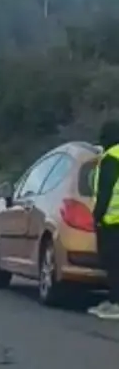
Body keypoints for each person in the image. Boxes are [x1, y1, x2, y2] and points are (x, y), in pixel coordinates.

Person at [90, 120, 119, 319]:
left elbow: (105, 191)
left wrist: (97, 216)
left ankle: (116, 303)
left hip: (113, 221)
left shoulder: (111, 158)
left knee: (112, 263)